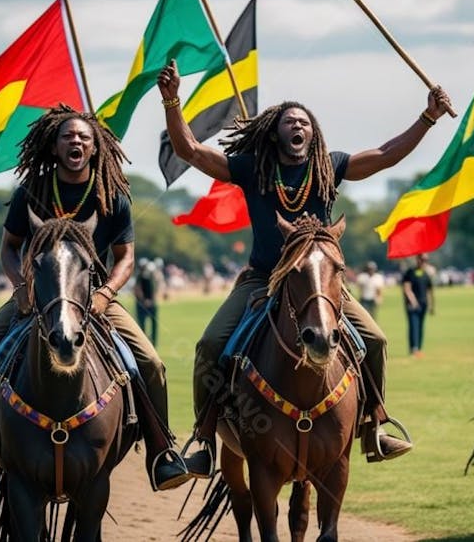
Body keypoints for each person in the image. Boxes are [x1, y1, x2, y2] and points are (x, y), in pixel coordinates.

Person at [158, 59, 451, 474]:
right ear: (275, 130)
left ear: (313, 132)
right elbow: (190, 150)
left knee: (377, 340)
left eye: (305, 123)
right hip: (263, 281)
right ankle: (204, 438)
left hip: (320, 284)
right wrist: (171, 100)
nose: (298, 127)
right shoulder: (252, 167)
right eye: (290, 122)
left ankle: (374, 426)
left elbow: (385, 155)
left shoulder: (329, 166)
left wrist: (427, 118)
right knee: (209, 345)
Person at [0, 105, 190, 494]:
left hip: (95, 299)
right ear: (54, 147)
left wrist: (105, 294)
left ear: (95, 148)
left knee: (150, 363)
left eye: (84, 137)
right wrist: (21, 288)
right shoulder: (31, 191)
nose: (77, 141)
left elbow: (126, 258)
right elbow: (8, 249)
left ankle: (160, 451)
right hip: (38, 298)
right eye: (68, 136)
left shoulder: (113, 196)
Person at [402, 253, 435, 358]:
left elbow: (430, 291)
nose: (423, 262)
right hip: (413, 305)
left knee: (420, 327)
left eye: (426, 260)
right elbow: (407, 288)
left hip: (423, 303)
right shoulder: (410, 272)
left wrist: (432, 305)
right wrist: (413, 301)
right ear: (417, 259)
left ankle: (419, 349)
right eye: (422, 259)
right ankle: (414, 348)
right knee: (413, 326)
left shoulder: (426, 274)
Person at [135, 257, 166, 346]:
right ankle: (145, 344)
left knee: (152, 324)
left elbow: (154, 289)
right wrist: (145, 300)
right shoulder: (141, 276)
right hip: (143, 304)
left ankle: (151, 344)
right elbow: (138, 289)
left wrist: (150, 300)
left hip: (148, 303)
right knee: (142, 325)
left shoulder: (149, 276)